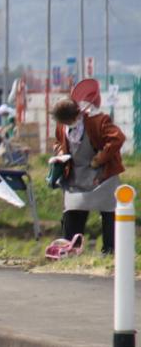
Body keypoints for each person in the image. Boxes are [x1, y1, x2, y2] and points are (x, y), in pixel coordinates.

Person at [51, 82, 126, 255]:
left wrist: (100, 158)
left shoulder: (98, 120)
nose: (67, 124)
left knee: (109, 211)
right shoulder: (62, 125)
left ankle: (110, 251)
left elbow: (117, 138)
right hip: (76, 175)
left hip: (102, 175)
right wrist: (60, 152)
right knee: (72, 211)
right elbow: (58, 142)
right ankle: (70, 250)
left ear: (78, 114)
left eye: (70, 121)